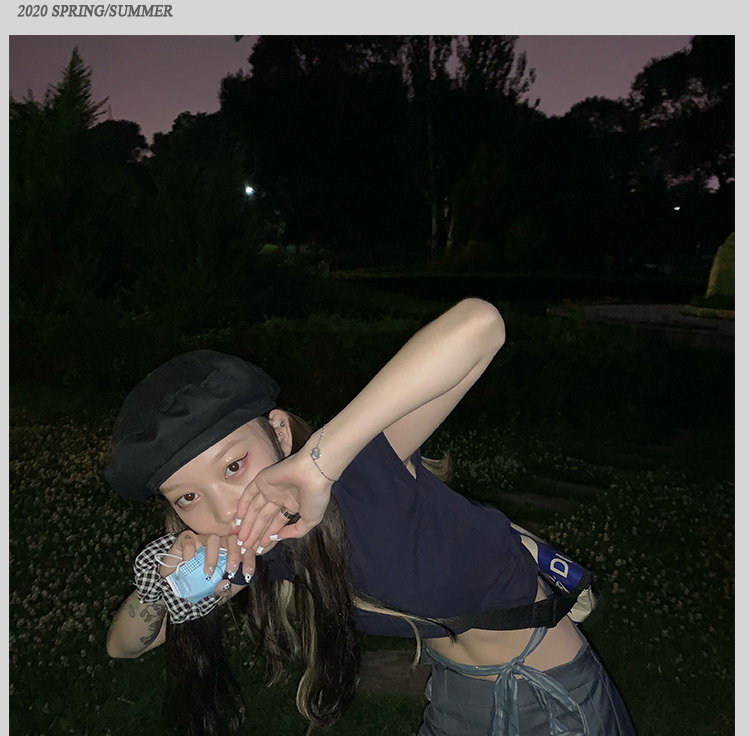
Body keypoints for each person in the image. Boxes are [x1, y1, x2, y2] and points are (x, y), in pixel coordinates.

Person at [105, 300, 638, 735]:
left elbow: (481, 326)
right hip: (455, 694)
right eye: (188, 498)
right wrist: (162, 586)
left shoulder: (358, 470)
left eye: (233, 465)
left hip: (550, 698)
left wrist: (321, 462)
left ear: (280, 433)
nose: (224, 510)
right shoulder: (251, 550)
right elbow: (126, 645)